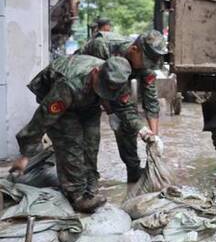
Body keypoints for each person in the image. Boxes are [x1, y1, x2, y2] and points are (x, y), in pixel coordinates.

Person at [10, 56, 152, 213]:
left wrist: (143, 130)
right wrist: (25, 154)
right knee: (71, 143)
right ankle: (76, 195)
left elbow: (127, 109)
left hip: (88, 103)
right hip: (57, 94)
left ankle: (91, 188)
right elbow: (43, 118)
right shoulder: (68, 84)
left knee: (91, 142)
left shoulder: (118, 81)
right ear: (95, 73)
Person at [80, 30, 167, 183]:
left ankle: (133, 172)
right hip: (86, 86)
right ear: (134, 50)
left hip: (117, 85)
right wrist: (109, 109)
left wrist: (153, 139)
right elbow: (89, 77)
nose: (147, 67)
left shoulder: (145, 64)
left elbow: (151, 101)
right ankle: (87, 180)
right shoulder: (103, 48)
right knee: (89, 132)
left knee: (127, 123)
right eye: (145, 62)